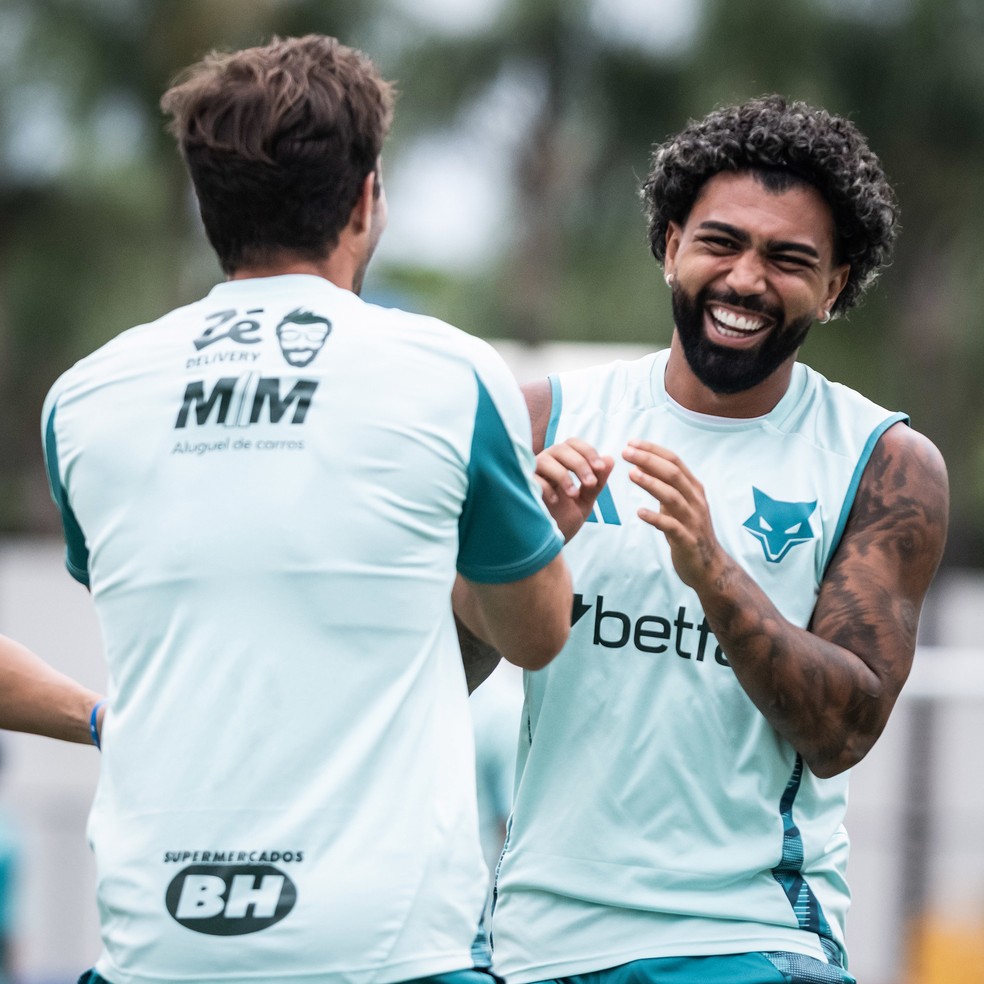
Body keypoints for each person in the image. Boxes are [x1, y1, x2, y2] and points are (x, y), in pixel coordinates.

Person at [40, 34, 573, 984]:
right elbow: (535, 636)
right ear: (366, 200)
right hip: (387, 949)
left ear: (210, 206)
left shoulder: (84, 398)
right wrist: (535, 541)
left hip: (157, 944)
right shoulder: (452, 375)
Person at [479, 96, 949, 984]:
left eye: (788, 259)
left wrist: (715, 574)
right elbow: (442, 672)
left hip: (748, 937)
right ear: (670, 245)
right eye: (720, 243)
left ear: (836, 286)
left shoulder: (885, 461)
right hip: (536, 941)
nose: (745, 280)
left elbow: (843, 732)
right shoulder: (544, 417)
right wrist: (519, 557)